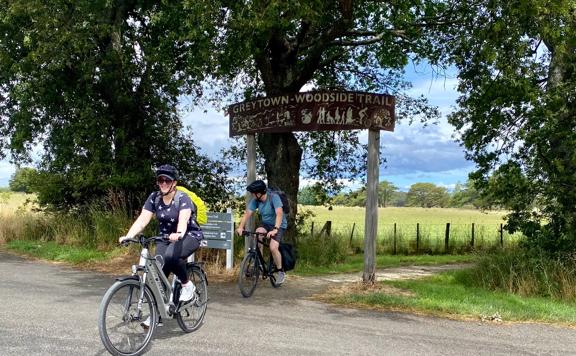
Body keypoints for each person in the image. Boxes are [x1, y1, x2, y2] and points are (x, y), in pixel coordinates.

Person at [119, 164, 204, 326]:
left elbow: (183, 220)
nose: (163, 183)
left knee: (171, 256)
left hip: (188, 235)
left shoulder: (182, 198)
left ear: (174, 183)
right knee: (158, 274)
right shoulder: (154, 198)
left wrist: (178, 234)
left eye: (167, 180)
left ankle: (187, 286)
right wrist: (129, 236)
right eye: (160, 180)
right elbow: (143, 219)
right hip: (164, 238)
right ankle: (157, 314)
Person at [236, 179, 288, 284]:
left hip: (279, 225)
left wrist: (275, 229)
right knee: (257, 233)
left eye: (253, 193)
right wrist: (241, 227)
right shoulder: (256, 200)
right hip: (266, 224)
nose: (252, 195)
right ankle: (258, 264)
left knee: (273, 247)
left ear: (259, 193)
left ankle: (280, 271)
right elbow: (247, 214)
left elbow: (279, 213)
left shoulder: (274, 197)